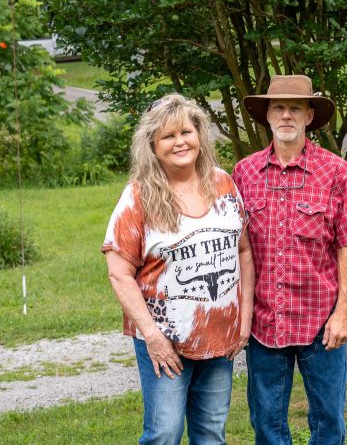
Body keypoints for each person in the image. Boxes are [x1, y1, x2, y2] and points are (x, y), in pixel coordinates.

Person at [102, 93, 254, 445]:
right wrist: (153, 339)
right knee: (164, 434)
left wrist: (243, 321)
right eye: (168, 136)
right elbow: (118, 273)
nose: (179, 142)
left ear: (199, 136)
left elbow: (244, 250)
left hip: (220, 339)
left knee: (211, 434)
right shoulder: (139, 196)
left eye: (186, 131)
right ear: (152, 146)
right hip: (165, 342)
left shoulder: (224, 184)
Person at [232, 75, 347, 445]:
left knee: (329, 423)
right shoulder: (244, 173)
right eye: (278, 107)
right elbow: (235, 247)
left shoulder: (337, 172)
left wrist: (343, 314)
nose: (286, 115)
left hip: (321, 324)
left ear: (309, 115)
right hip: (265, 322)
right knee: (266, 423)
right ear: (267, 116)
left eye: (295, 108)